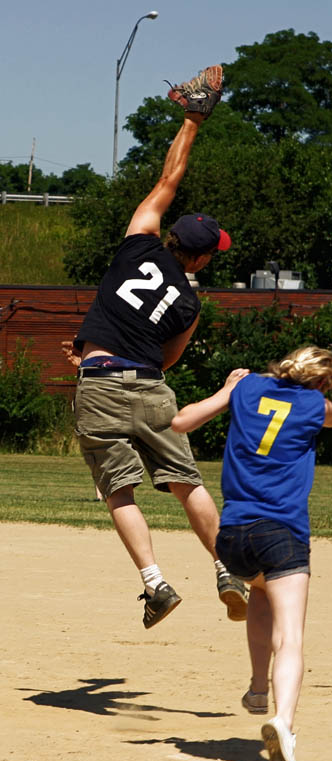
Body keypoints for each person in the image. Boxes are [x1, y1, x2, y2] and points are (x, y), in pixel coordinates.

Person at [68, 65, 247, 630]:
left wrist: (192, 120)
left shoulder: (137, 244)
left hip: (97, 384)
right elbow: (167, 359)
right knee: (185, 482)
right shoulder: (191, 303)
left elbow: (168, 181)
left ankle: (155, 582)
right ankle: (227, 568)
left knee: (118, 491)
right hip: (151, 390)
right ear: (198, 258)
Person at [171, 326, 332, 761]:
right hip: (282, 532)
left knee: (258, 592)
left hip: (232, 536)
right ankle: (284, 725)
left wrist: (228, 389)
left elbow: (179, 422)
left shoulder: (249, 385)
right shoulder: (315, 406)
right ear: (320, 382)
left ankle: (258, 689)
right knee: (290, 636)